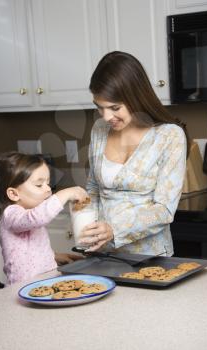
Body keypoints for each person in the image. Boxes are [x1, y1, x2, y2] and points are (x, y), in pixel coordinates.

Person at [79, 51, 189, 256]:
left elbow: (164, 210)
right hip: (101, 254)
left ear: (136, 97)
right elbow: (93, 189)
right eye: (100, 108)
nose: (106, 116)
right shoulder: (99, 129)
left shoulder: (169, 136)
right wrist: (86, 228)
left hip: (151, 257)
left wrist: (114, 229)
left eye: (114, 107)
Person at [0, 152, 88, 284]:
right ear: (14, 194)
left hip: (44, 283)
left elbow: (30, 250)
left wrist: (53, 256)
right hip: (23, 288)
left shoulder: (29, 212)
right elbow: (37, 217)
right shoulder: (11, 214)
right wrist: (65, 193)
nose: (48, 189)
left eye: (48, 183)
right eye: (39, 185)